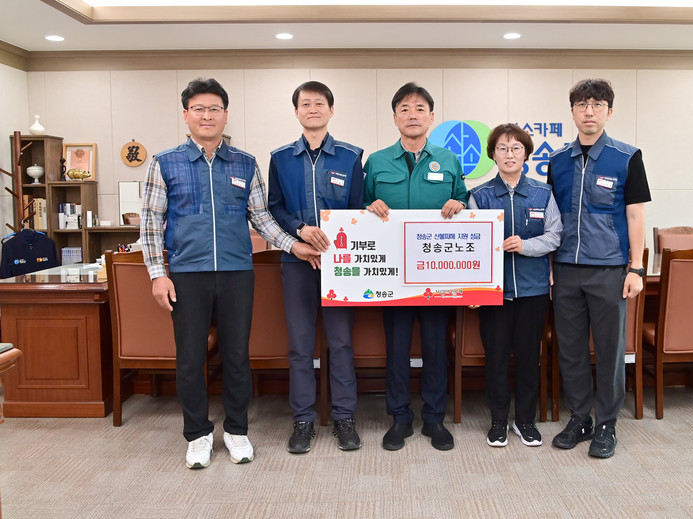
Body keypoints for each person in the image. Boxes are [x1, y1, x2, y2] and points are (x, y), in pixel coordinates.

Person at [141, 77, 320, 469]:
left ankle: (237, 430)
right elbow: (151, 223)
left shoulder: (244, 163)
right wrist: (157, 273)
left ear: (225, 115)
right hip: (187, 274)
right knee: (191, 358)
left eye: (214, 109)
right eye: (199, 109)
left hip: (238, 272)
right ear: (186, 115)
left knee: (237, 355)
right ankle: (198, 435)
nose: (207, 116)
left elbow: (262, 218)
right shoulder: (164, 163)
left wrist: (294, 245)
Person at [547, 78, 651, 458]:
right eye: (582, 105)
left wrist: (636, 269)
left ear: (609, 111)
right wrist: (550, 266)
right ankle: (580, 418)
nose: (588, 111)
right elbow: (552, 219)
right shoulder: (558, 161)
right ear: (572, 112)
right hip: (566, 269)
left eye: (596, 105)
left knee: (609, 350)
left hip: (609, 270)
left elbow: (635, 215)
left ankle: (607, 423)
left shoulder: (627, 157)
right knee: (571, 350)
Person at [364, 82, 468, 451]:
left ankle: (434, 418)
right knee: (397, 348)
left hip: (436, 273)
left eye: (420, 108)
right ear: (394, 118)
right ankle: (400, 418)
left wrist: (460, 205)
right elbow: (359, 213)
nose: (412, 115)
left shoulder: (449, 160)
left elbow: (466, 205)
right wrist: (368, 208)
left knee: (436, 347)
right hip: (390, 275)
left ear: (431, 117)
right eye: (405, 109)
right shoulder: (376, 162)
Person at [268, 81, 364, 454]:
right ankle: (303, 420)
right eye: (305, 104)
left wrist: (334, 248)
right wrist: (300, 230)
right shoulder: (280, 158)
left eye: (319, 103)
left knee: (341, 343)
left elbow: (357, 209)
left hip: (339, 264)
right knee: (300, 345)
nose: (312, 109)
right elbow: (273, 207)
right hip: (296, 262)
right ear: (296, 112)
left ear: (331, 110)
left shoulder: (351, 156)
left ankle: (344, 418)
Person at [468, 124, 562, 448]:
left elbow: (555, 235)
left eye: (516, 148)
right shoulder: (479, 195)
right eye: (502, 148)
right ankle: (498, 422)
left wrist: (526, 246)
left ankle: (525, 421)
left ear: (526, 154)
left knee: (528, 359)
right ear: (493, 155)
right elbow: (471, 246)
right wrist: (475, 288)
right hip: (493, 293)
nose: (509, 154)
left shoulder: (543, 193)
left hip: (533, 290)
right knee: (495, 359)